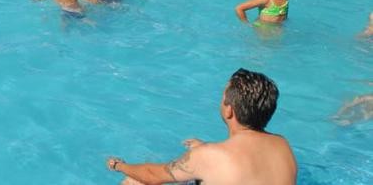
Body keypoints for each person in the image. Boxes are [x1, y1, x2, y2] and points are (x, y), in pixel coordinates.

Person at [106, 68, 296, 185]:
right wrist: (204, 150)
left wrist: (119, 165)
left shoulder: (207, 156)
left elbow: (151, 176)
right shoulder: (282, 145)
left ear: (229, 110)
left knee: (133, 182)